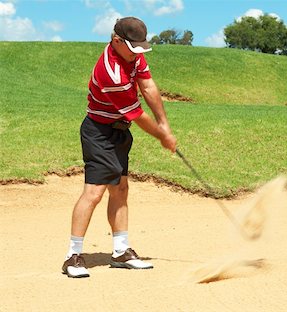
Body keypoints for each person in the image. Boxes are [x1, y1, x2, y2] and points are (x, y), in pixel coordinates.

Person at [62, 17, 177, 278]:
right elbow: (137, 114)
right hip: (99, 132)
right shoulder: (110, 71)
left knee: (121, 189)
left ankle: (121, 251)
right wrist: (162, 136)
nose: (138, 52)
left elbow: (147, 86)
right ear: (116, 41)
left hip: (119, 131)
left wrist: (165, 124)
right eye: (133, 47)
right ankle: (73, 256)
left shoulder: (132, 56)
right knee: (94, 192)